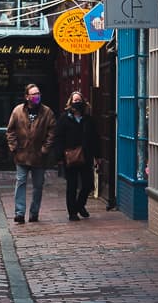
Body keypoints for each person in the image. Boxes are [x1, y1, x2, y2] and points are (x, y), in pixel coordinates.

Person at [6, 83, 56, 224]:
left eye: (38, 93)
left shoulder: (47, 112)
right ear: (27, 97)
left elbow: (52, 132)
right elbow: (10, 131)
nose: (37, 96)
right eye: (33, 94)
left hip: (39, 156)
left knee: (38, 185)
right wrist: (14, 147)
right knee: (20, 182)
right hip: (22, 154)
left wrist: (45, 149)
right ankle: (20, 213)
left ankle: (34, 213)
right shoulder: (18, 111)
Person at [54, 90, 101, 221]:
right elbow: (58, 138)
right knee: (72, 186)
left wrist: (98, 156)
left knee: (87, 185)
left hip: (86, 156)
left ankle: (80, 205)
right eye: (75, 100)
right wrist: (59, 156)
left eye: (79, 100)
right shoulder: (64, 119)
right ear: (70, 103)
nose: (77, 103)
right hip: (70, 156)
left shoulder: (88, 119)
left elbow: (95, 138)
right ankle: (72, 213)